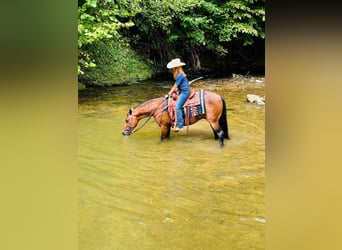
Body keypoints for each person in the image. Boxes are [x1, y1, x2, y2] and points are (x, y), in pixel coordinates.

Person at [165, 58, 190, 132]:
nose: (172, 69)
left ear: (176, 67)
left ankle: (180, 125)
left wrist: (168, 94)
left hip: (185, 92)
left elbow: (175, 86)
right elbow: (178, 86)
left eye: (173, 67)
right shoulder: (180, 74)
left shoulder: (179, 75)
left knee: (177, 107)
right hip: (182, 90)